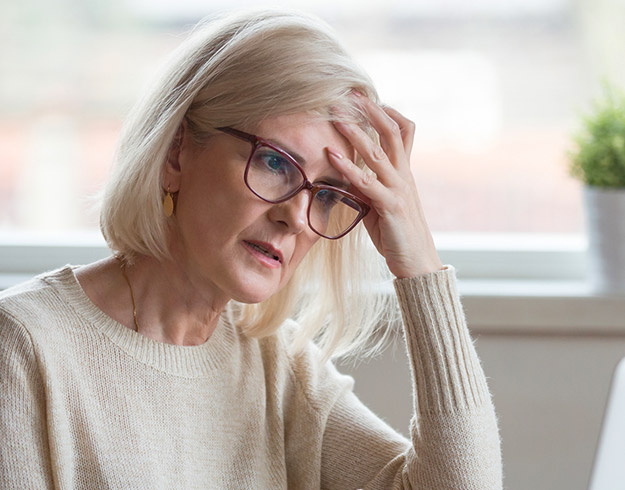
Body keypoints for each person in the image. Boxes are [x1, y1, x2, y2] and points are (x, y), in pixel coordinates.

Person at [0, 9, 502, 489]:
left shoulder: (281, 366)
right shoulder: (25, 347)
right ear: (176, 151)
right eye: (276, 163)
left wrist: (418, 263)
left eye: (327, 195)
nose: (297, 217)